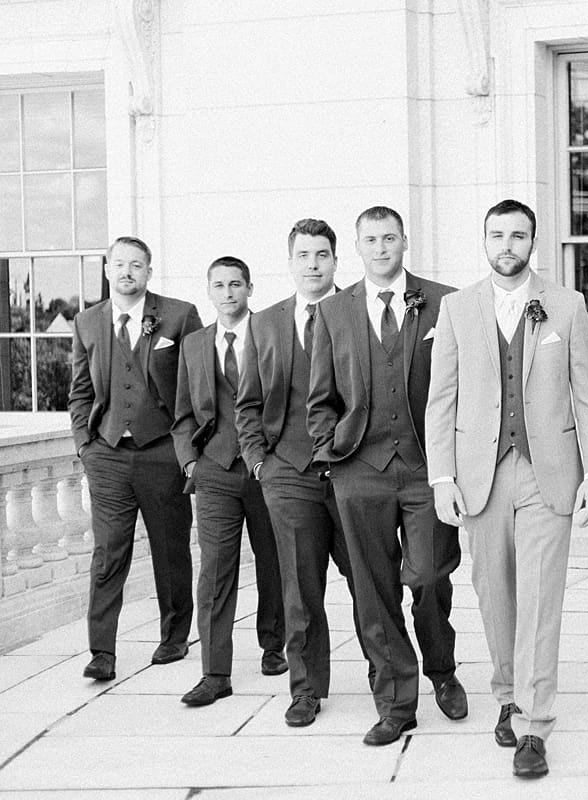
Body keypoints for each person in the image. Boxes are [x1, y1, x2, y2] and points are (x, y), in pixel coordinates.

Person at [425, 199, 588, 778]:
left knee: (539, 600)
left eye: (519, 236)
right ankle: (507, 692)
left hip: (547, 471)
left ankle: (534, 724)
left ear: (534, 242)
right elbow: (442, 399)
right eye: (497, 235)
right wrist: (441, 477)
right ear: (484, 241)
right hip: (479, 474)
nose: (508, 245)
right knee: (495, 592)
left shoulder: (567, 305)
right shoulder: (456, 308)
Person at [306, 206, 467, 746]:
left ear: (405, 242)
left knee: (427, 576)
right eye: (371, 240)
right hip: (359, 471)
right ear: (358, 247)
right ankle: (395, 701)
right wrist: (333, 459)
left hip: (428, 469)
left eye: (390, 238)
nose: (381, 248)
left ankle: (441, 670)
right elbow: (320, 398)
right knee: (372, 591)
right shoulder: (334, 312)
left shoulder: (446, 302)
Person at [235, 219, 366, 726]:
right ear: (290, 262)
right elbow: (247, 403)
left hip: (351, 469)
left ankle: (384, 675)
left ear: (336, 261)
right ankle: (306, 688)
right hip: (286, 473)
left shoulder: (354, 312)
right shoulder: (265, 322)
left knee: (368, 580)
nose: (313, 264)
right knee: (300, 587)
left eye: (322, 255)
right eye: (304, 255)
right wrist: (260, 464)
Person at [69, 235, 202, 681]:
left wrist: (187, 450)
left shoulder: (179, 316)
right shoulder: (87, 322)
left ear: (149, 272)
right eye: (119, 264)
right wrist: (85, 447)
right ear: (107, 269)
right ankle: (101, 651)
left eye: (136, 265)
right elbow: (79, 394)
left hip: (162, 450)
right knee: (108, 552)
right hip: (106, 453)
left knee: (170, 549)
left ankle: (174, 636)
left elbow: (196, 386)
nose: (127, 272)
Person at [171, 256, 286, 707]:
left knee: (274, 561)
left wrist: (275, 461)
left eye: (235, 284)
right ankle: (215, 672)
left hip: (265, 468)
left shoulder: (273, 333)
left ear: (249, 288)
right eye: (218, 285)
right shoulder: (194, 344)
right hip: (215, 470)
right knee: (215, 571)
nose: (227, 293)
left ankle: (273, 646)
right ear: (209, 291)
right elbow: (182, 415)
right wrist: (190, 465)